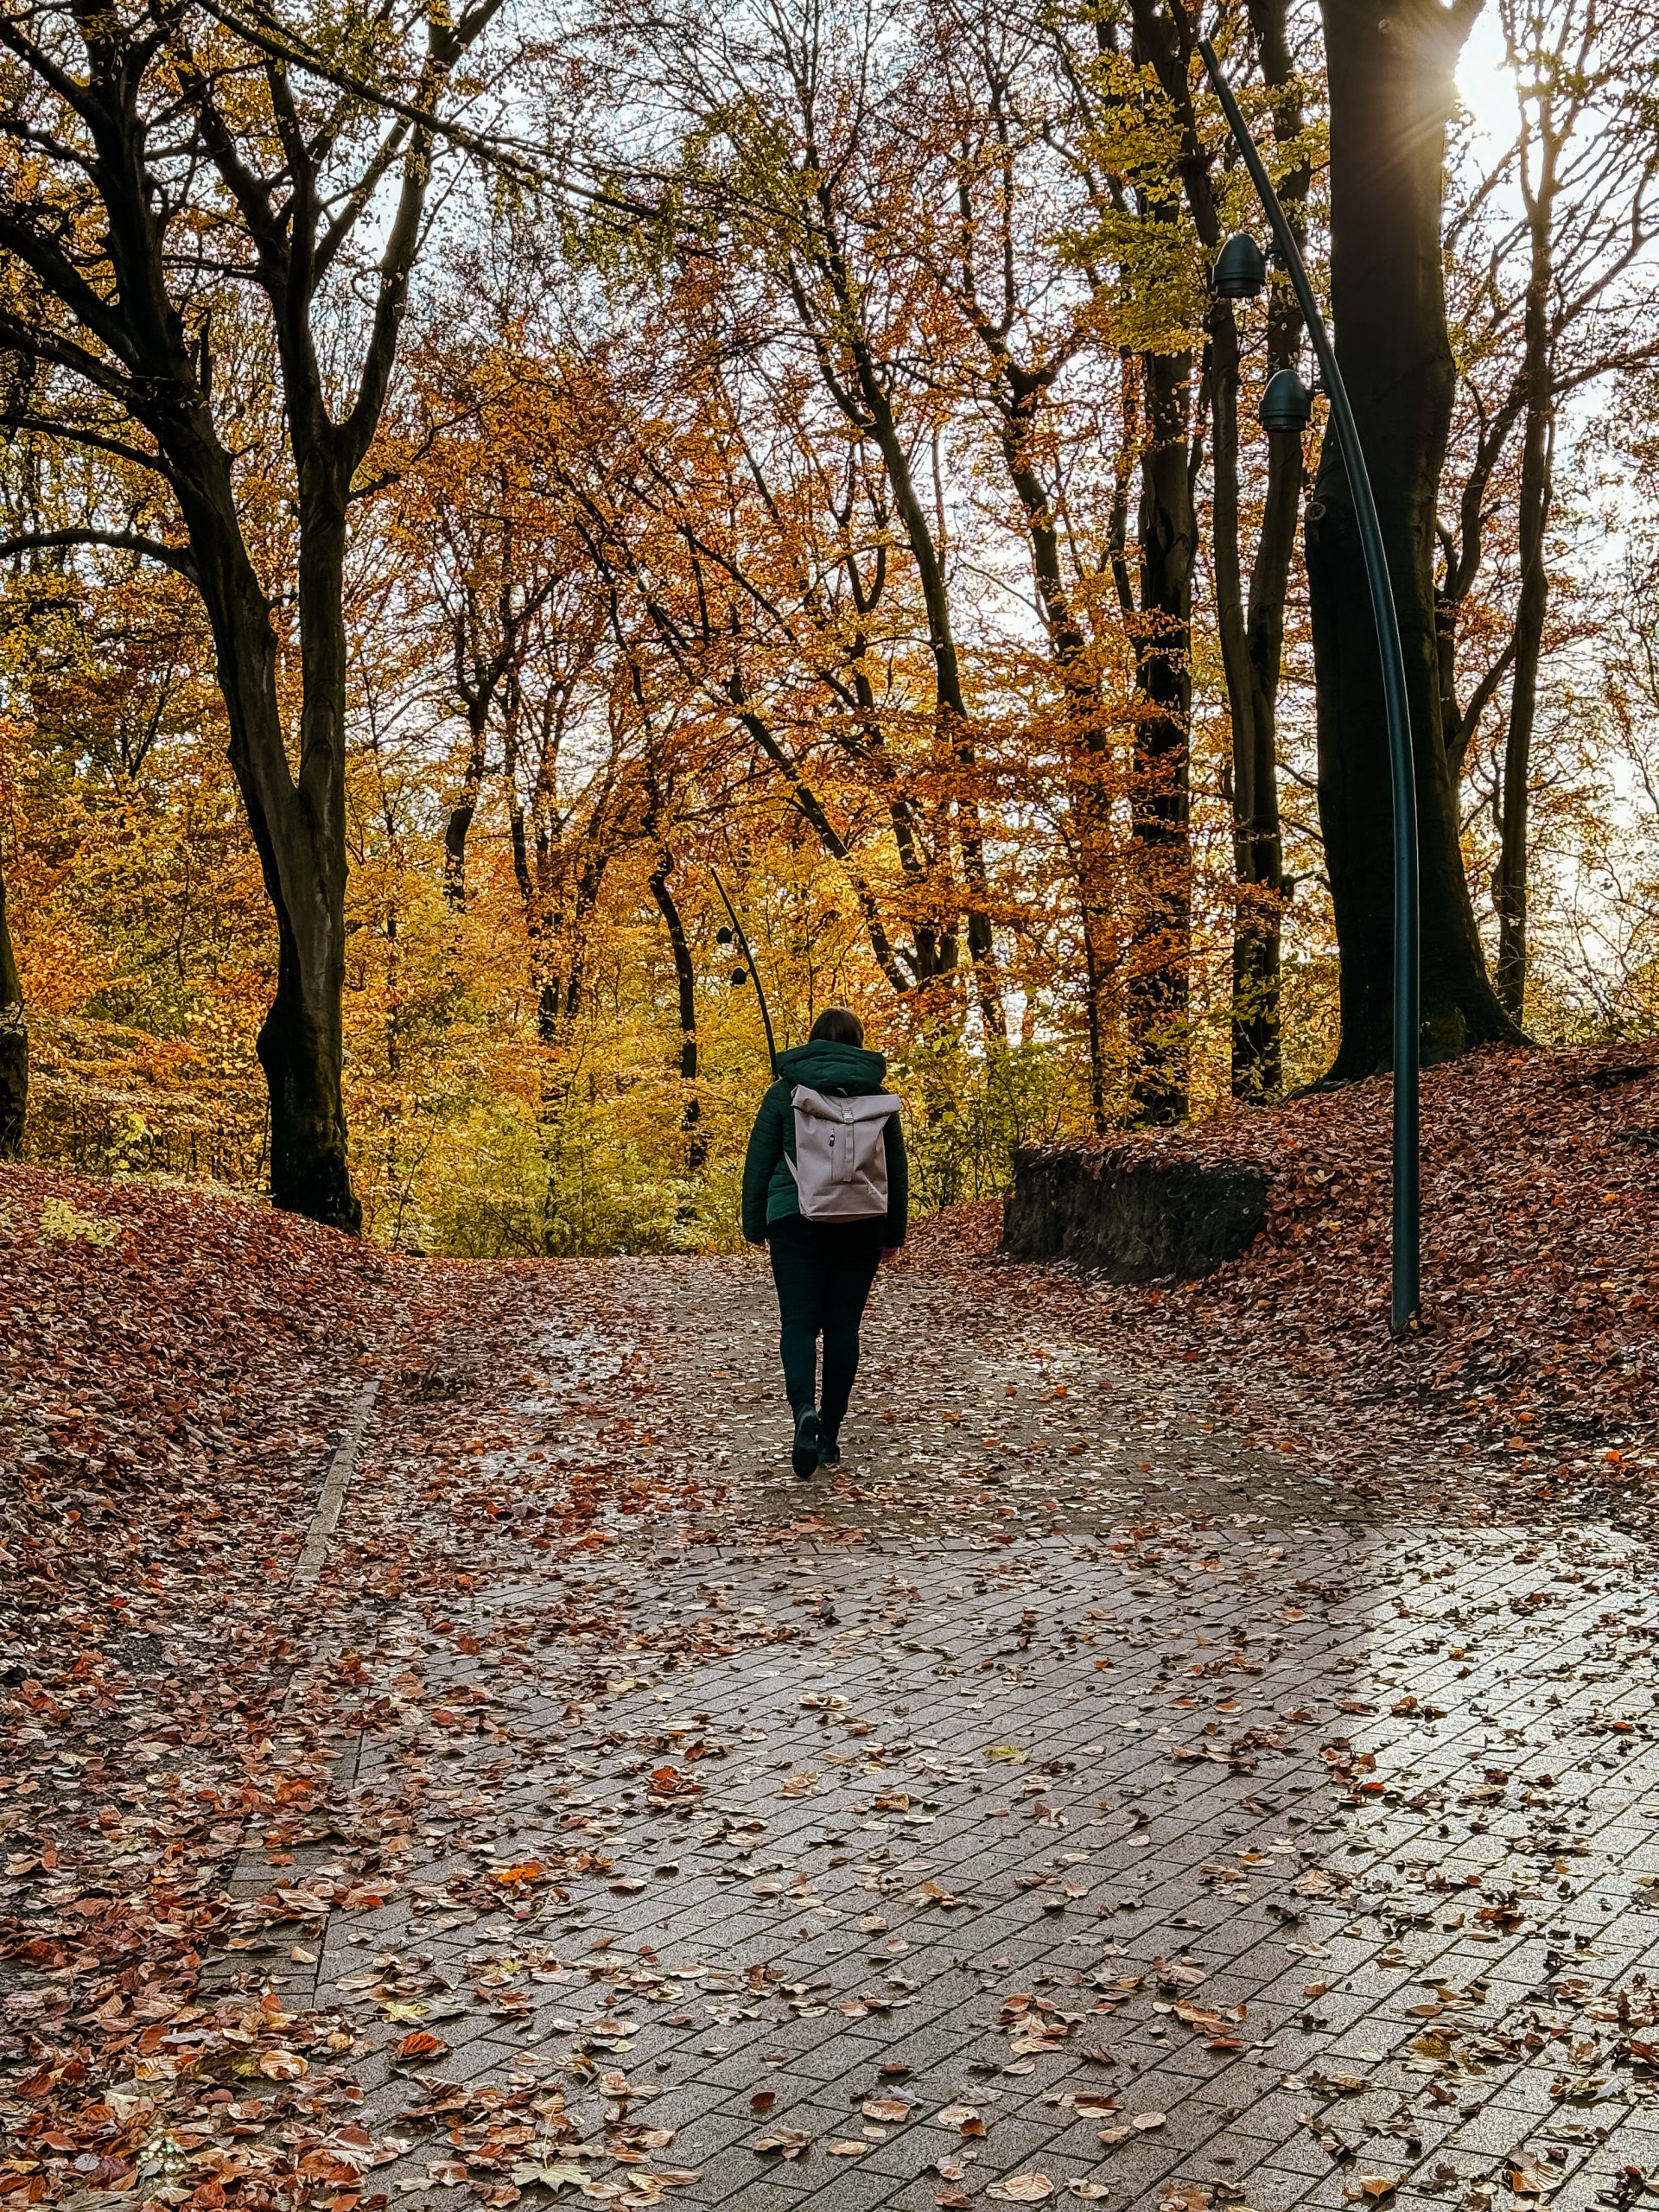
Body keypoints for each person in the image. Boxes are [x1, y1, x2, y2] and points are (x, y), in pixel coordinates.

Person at [741, 1007, 908, 1478]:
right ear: (858, 1042)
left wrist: (757, 1223)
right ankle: (830, 1434)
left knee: (797, 1323)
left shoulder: (785, 1092)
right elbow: (894, 1167)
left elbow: (760, 1160)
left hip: (795, 1218)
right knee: (842, 1329)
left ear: (813, 1040)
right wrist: (893, 1232)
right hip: (862, 1220)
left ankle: (802, 1415)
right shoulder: (877, 1096)